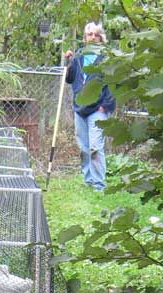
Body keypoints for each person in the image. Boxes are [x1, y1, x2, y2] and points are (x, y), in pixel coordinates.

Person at [65, 22, 116, 192]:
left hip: (98, 109)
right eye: (89, 35)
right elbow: (70, 79)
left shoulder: (107, 57)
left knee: (95, 146)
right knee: (83, 147)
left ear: (101, 37)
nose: (92, 37)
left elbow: (113, 83)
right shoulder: (79, 55)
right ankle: (88, 180)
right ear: (85, 38)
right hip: (80, 108)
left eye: (96, 34)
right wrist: (69, 62)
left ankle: (99, 185)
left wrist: (106, 105)